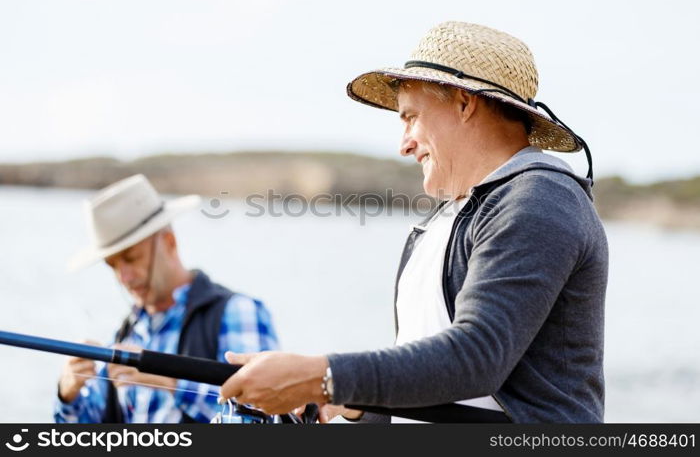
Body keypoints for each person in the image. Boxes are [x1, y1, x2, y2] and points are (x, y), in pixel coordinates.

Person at [219, 22, 608, 423]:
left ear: (463, 102)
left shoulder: (540, 198)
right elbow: (432, 400)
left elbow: (476, 358)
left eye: (411, 117)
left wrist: (321, 377)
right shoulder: (446, 219)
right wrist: (353, 405)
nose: (403, 144)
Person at [54, 174, 278, 423]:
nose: (123, 277)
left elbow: (263, 415)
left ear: (169, 242)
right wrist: (68, 394)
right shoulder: (125, 333)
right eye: (112, 265)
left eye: (131, 258)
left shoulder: (238, 311)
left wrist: (174, 384)